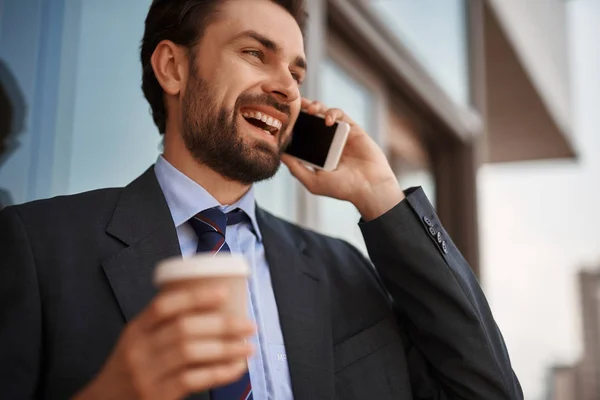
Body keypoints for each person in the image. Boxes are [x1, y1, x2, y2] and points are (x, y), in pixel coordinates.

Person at [0, 0, 523, 399]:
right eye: (255, 54)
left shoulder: (345, 270)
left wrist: (380, 196)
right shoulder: (36, 246)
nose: (288, 89)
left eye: (296, 73)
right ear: (173, 68)